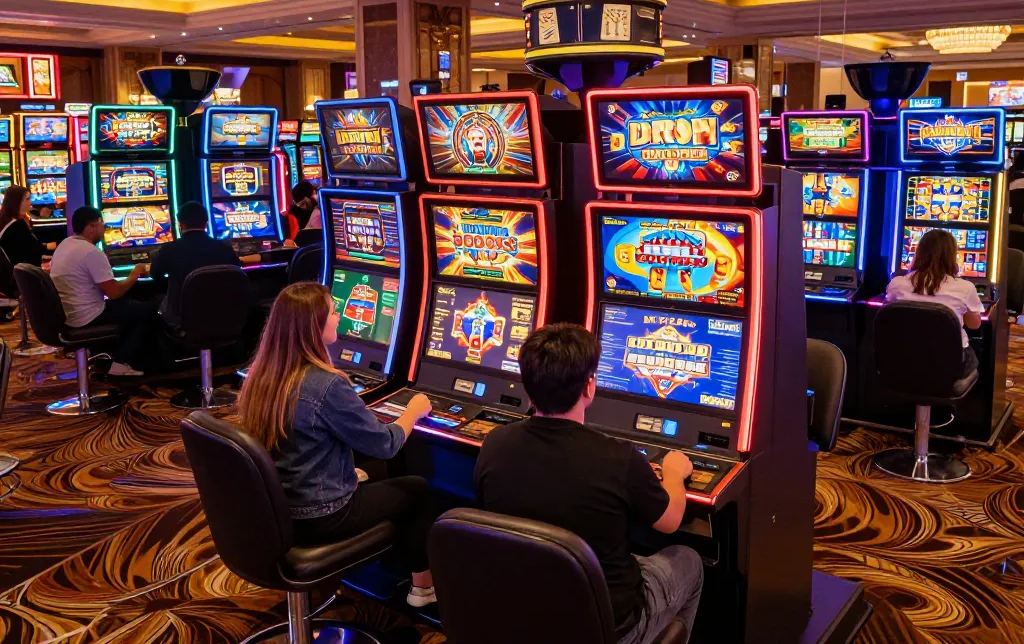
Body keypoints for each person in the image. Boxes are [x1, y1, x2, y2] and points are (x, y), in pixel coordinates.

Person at [475, 323, 703, 644]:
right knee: (689, 559)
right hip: (606, 621)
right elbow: (669, 521)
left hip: (526, 605)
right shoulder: (618, 458)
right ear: (589, 388)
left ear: (527, 387)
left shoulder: (494, 444)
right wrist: (675, 474)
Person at [237, 282, 437, 607]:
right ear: (313, 327)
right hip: (322, 515)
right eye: (332, 311)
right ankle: (423, 590)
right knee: (417, 490)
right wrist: (413, 412)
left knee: (369, 471)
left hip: (278, 510)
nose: (339, 316)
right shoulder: (326, 384)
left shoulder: (262, 375)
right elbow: (385, 444)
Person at [49, 206, 155, 376]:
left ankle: (106, 356)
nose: (104, 228)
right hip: (87, 315)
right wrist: (134, 274)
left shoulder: (65, 244)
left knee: (130, 305)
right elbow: (114, 293)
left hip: (69, 313)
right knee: (149, 310)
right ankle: (121, 362)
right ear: (91, 227)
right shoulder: (91, 252)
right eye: (101, 224)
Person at [886, 227, 982, 377]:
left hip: (905, 359)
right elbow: (974, 325)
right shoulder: (965, 288)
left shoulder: (897, 284)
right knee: (976, 354)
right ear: (952, 256)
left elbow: (891, 311)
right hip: (948, 363)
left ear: (919, 253)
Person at [149, 201, 244, 328]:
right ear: (206, 223)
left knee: (153, 302)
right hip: (222, 317)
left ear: (180, 224)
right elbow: (238, 270)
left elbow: (155, 275)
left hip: (183, 319)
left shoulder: (169, 249)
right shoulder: (224, 248)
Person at [0, 185, 55, 267]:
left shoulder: (6, 220)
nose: (31, 202)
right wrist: (47, 247)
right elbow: (33, 251)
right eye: (27, 199)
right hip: (22, 275)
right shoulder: (17, 225)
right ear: (17, 202)